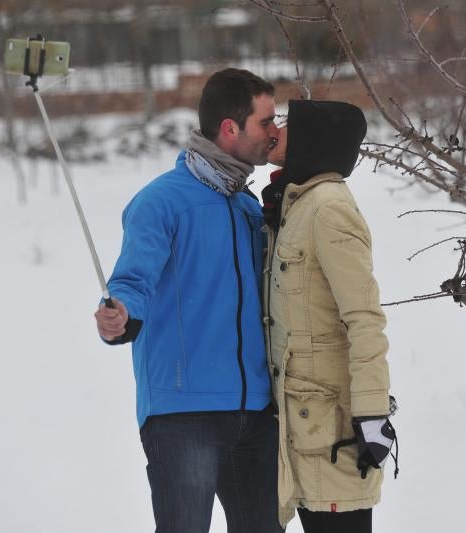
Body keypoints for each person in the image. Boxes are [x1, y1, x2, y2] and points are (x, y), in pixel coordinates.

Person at [94, 68, 283, 533]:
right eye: (266, 122)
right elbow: (132, 279)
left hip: (255, 411)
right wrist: (120, 315)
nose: (275, 133)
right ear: (229, 128)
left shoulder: (246, 207)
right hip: (184, 414)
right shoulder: (161, 202)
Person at [261, 99, 397, 533]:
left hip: (335, 433)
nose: (275, 129)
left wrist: (372, 414)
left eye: (286, 124)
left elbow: (365, 318)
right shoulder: (296, 204)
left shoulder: (328, 208)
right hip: (300, 423)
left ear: (310, 140)